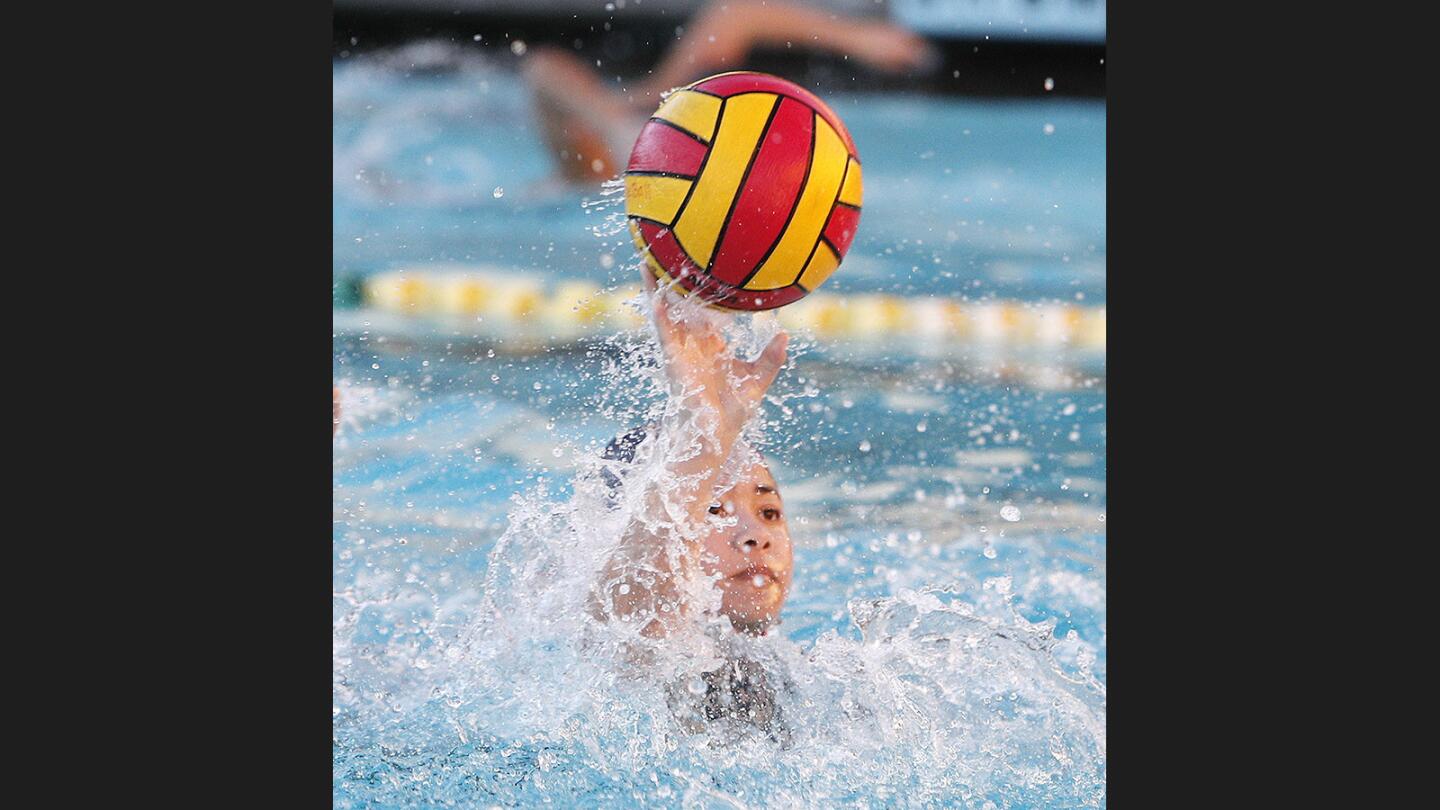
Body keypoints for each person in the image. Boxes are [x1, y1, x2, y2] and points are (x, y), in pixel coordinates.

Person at [523, 0, 937, 183]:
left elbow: (735, 17)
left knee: (548, 75)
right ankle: (622, 126)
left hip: (674, 146)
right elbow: (734, 18)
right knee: (547, 72)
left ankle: (623, 127)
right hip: (657, 136)